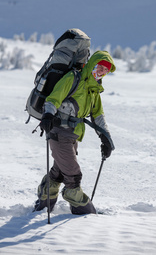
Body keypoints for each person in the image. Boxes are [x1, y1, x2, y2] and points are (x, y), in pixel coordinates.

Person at [34, 50, 116, 214]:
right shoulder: (73, 78)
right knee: (73, 176)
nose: (102, 72)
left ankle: (44, 203)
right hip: (58, 131)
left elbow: (98, 116)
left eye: (106, 70)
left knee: (58, 173)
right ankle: (84, 212)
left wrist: (106, 139)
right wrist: (48, 116)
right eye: (100, 67)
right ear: (93, 64)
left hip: (73, 135)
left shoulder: (94, 89)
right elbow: (53, 99)